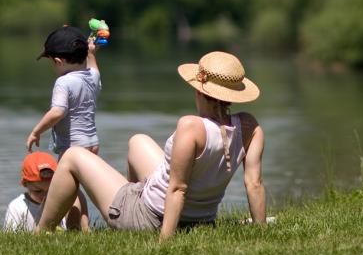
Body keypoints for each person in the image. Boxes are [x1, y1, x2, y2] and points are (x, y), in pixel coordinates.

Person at [36, 51, 267, 240]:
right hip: (202, 219)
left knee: (72, 156)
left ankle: (41, 233)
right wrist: (261, 231)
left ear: (199, 90)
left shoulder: (191, 126)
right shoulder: (249, 127)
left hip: (152, 219)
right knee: (138, 141)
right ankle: (131, 198)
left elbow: (178, 189)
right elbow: (254, 184)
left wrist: (164, 242)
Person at [26, 26, 102, 157]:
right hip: (93, 143)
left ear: (57, 61)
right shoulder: (93, 76)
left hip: (73, 148)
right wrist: (91, 53)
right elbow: (92, 64)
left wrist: (36, 132)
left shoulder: (63, 82)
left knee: (62, 177)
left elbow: (57, 112)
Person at [4, 152, 89, 231]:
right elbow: (9, 237)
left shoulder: (62, 201)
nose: (45, 196)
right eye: (38, 191)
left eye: (50, 190)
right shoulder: (16, 207)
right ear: (25, 184)